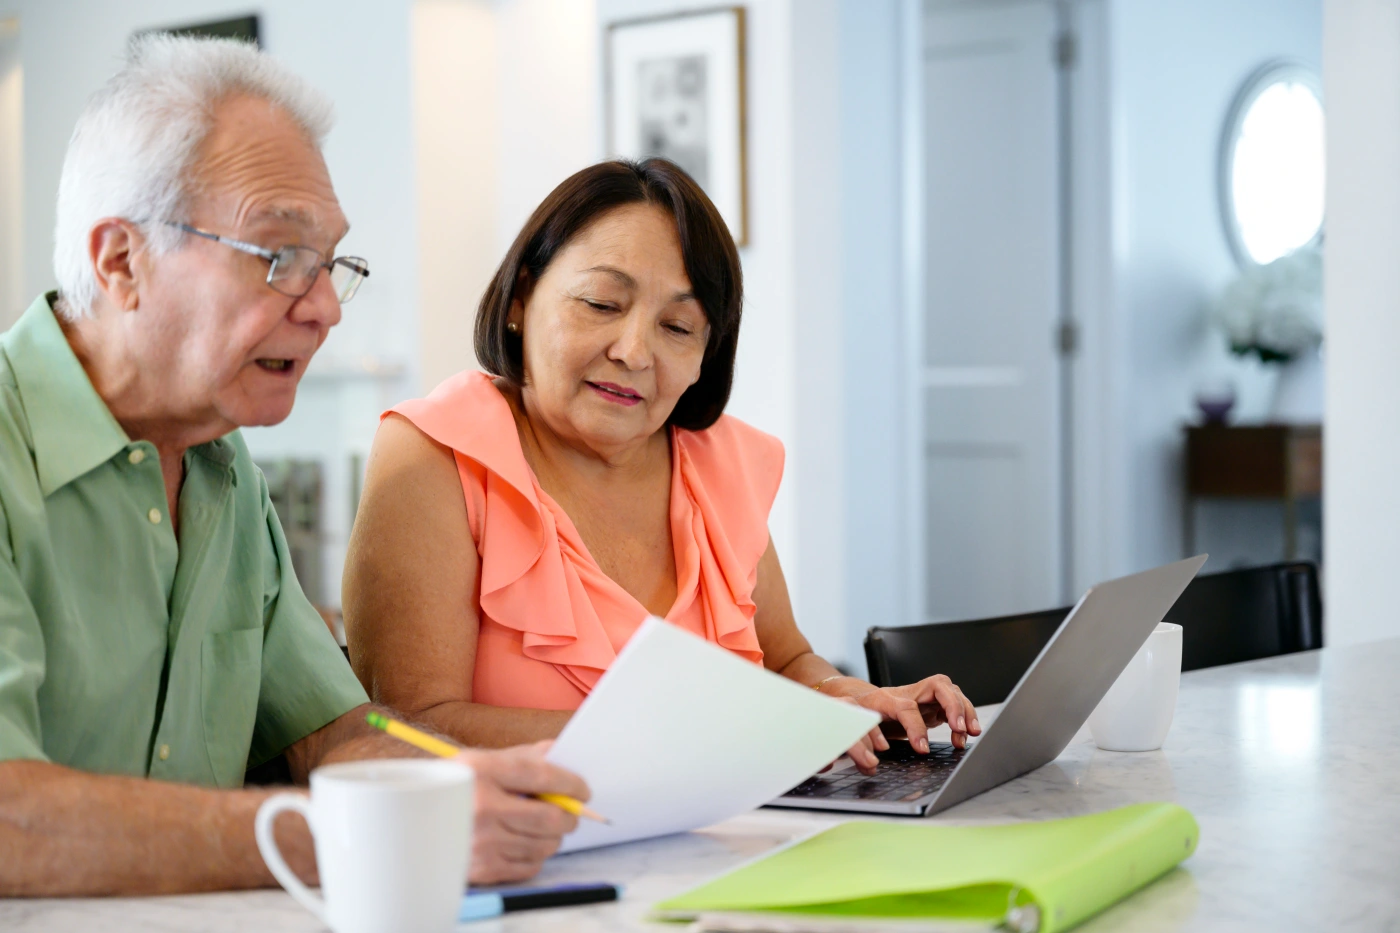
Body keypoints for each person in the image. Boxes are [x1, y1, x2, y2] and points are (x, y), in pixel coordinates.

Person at [0, 35, 588, 897]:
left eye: (329, 266)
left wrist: (483, 786)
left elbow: (334, 734)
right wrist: (366, 835)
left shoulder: (222, 465)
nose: (321, 310)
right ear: (120, 261)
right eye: (279, 258)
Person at [344, 159, 983, 774]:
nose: (633, 352)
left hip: (729, 835)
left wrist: (845, 697)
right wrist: (698, 735)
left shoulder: (719, 462)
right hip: (527, 849)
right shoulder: (435, 454)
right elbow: (403, 726)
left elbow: (787, 661)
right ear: (519, 299)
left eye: (677, 326)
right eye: (599, 304)